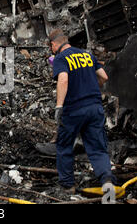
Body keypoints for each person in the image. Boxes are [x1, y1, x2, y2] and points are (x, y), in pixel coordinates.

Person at [47, 29, 115, 193]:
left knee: (64, 146)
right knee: (97, 147)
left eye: (51, 47)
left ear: (54, 44)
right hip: (95, 107)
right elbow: (104, 77)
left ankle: (68, 185)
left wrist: (59, 106)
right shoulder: (86, 55)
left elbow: (63, 79)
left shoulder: (60, 58)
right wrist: (91, 88)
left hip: (74, 110)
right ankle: (106, 180)